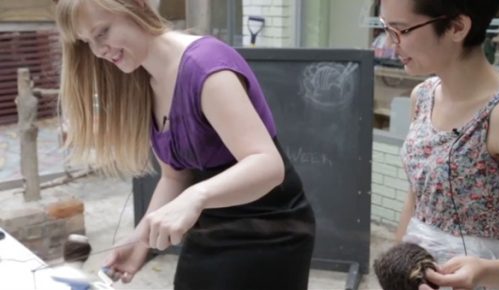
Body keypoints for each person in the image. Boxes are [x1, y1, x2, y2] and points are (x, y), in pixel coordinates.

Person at [54, 0, 316, 289]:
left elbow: (268, 165)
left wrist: (196, 197)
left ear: (137, 6)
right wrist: (140, 241)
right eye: (87, 41)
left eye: (102, 32)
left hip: (272, 230)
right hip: (212, 226)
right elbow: (175, 176)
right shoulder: (146, 79)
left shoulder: (205, 67)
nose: (97, 50)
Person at [378, 0, 499, 289]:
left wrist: (482, 270)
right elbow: (416, 199)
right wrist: (395, 269)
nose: (390, 43)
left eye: (402, 30)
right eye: (386, 29)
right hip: (415, 272)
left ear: (457, 27)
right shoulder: (422, 97)